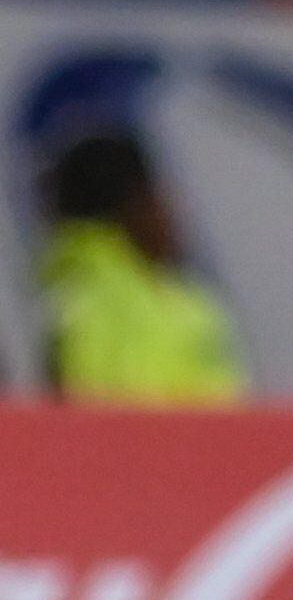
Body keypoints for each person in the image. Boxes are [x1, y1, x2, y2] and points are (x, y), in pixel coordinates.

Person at [34, 129, 246, 403]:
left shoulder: (71, 299)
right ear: (134, 205)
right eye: (160, 198)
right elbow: (119, 419)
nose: (173, 215)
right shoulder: (106, 304)